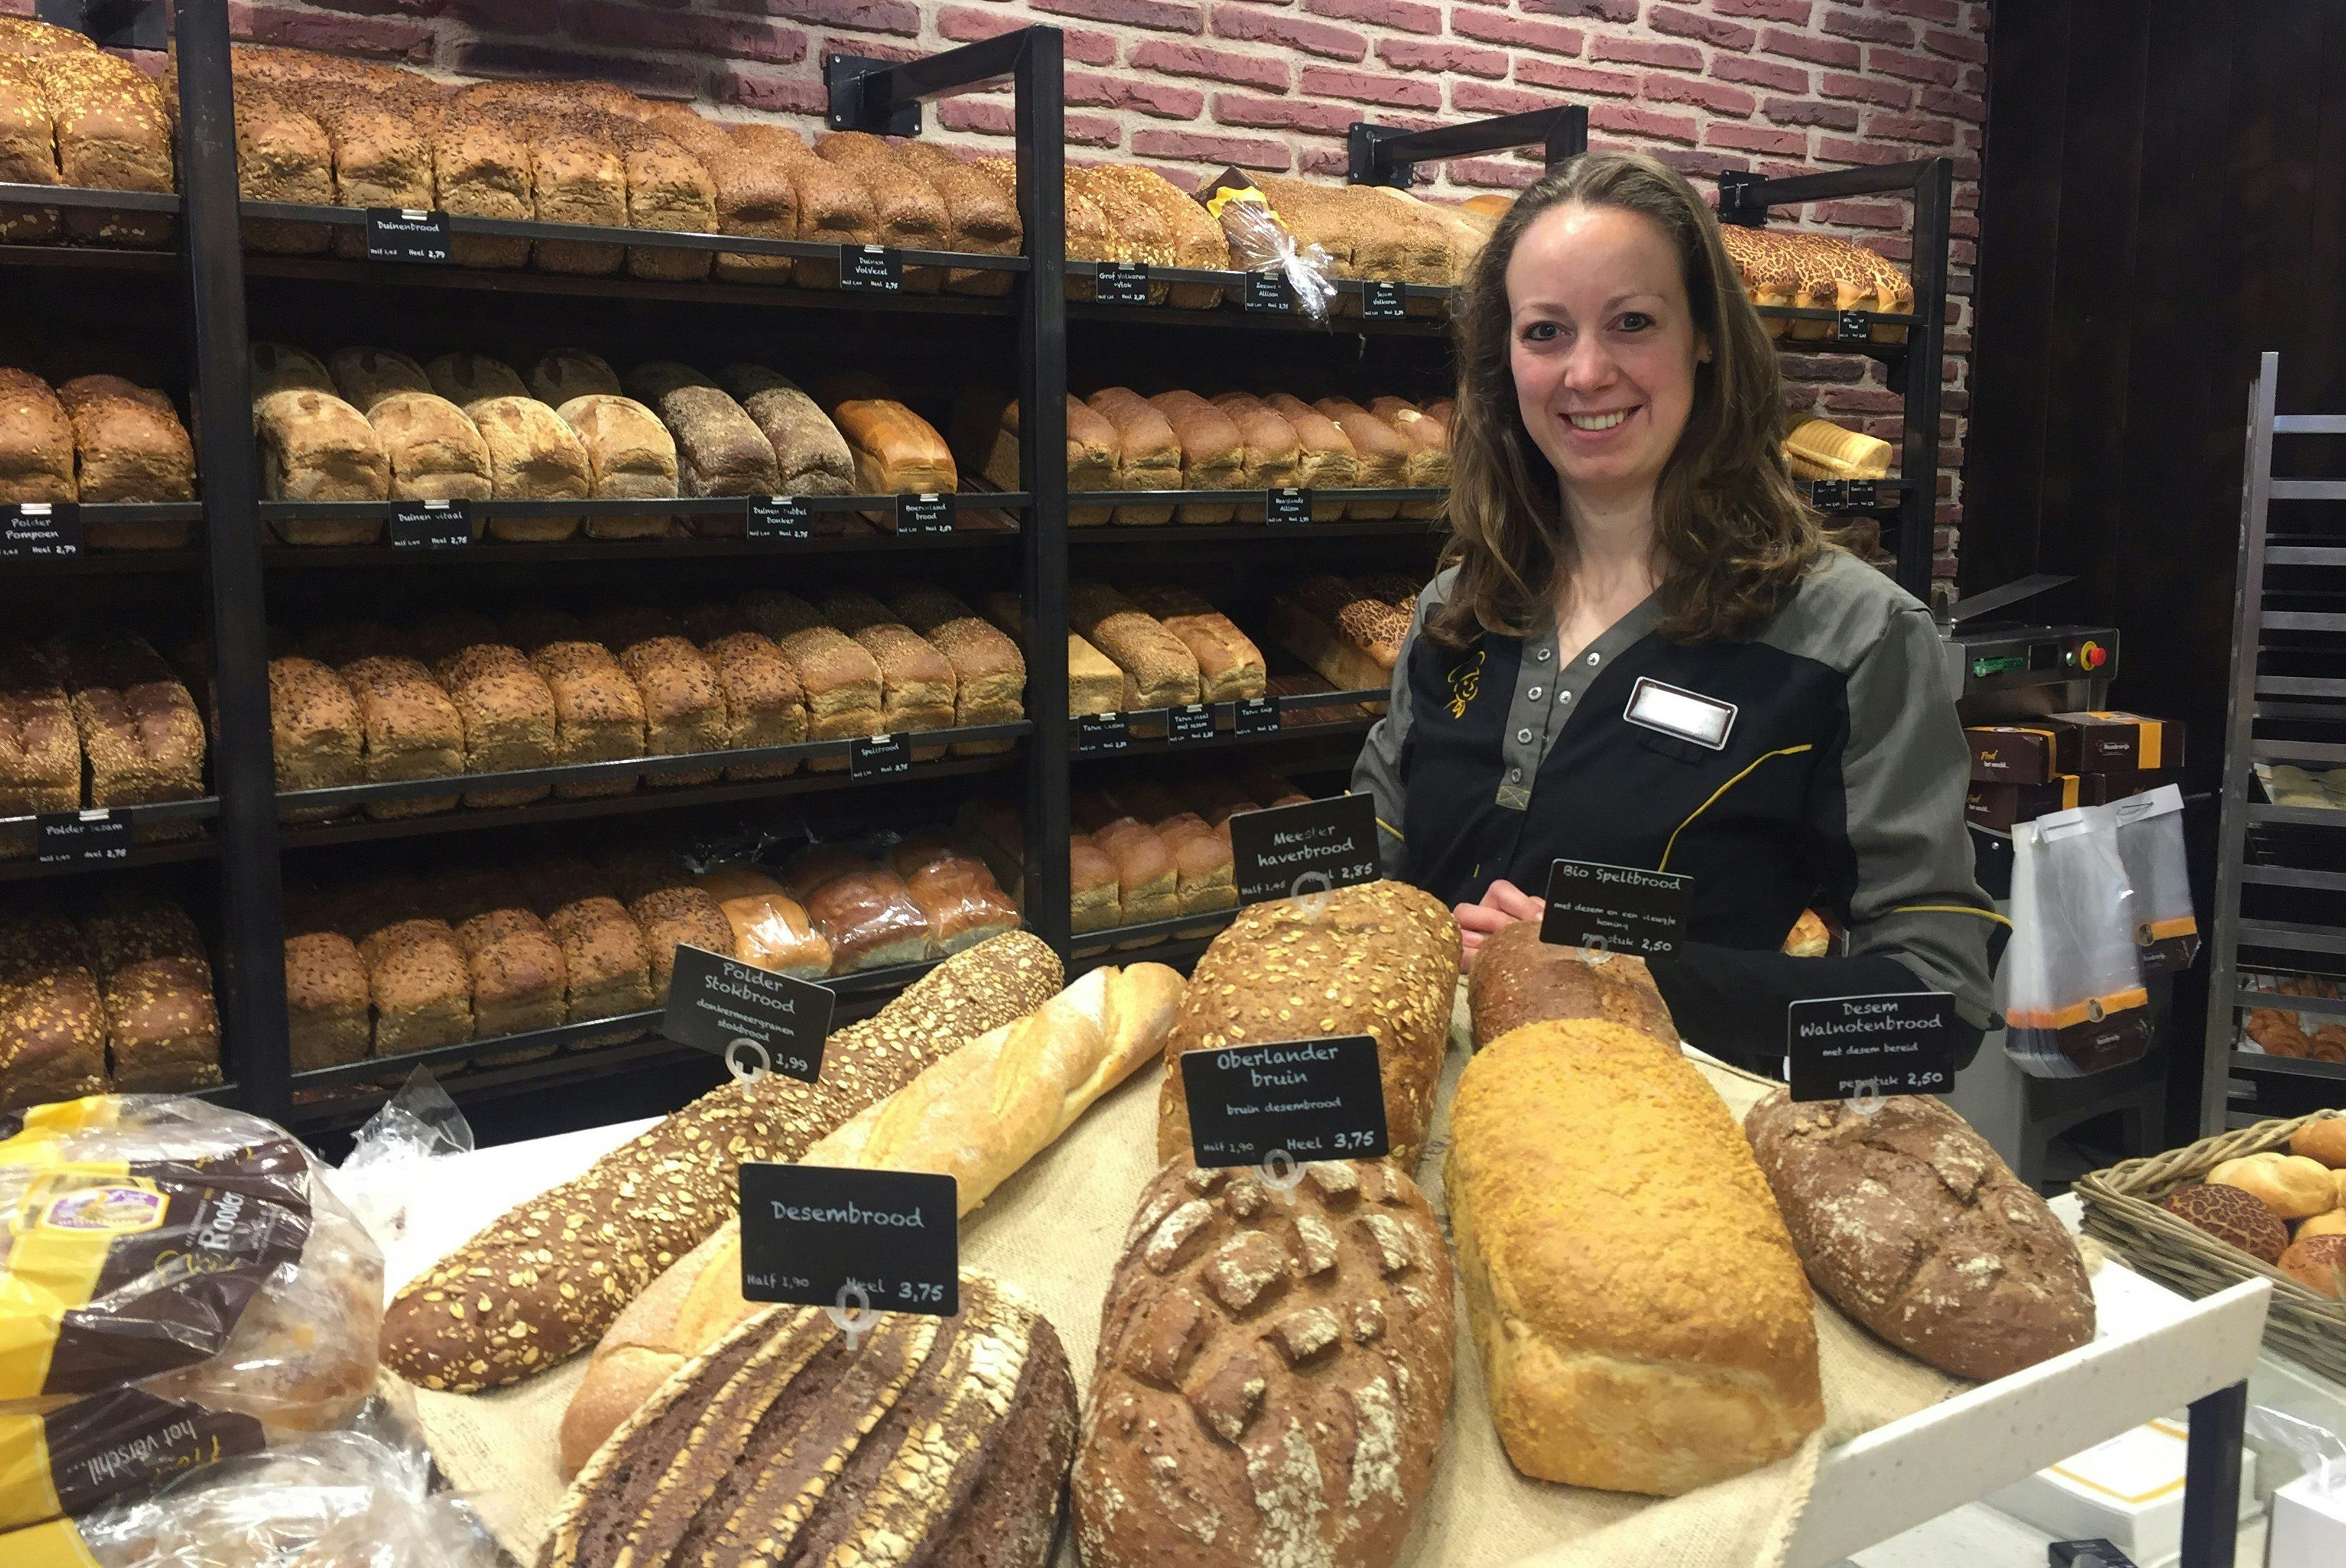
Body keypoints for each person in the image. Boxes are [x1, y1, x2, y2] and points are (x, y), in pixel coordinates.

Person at [1352, 151, 2005, 1070]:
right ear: (1504, 358)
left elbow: (1938, 1003)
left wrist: (1634, 980)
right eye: (1545, 331)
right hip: (1426, 1142)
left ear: (1704, 335)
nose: (1585, 372)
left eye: (1631, 322)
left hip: (1671, 1161)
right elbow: (1373, 851)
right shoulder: (1458, 607)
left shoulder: (1851, 637)